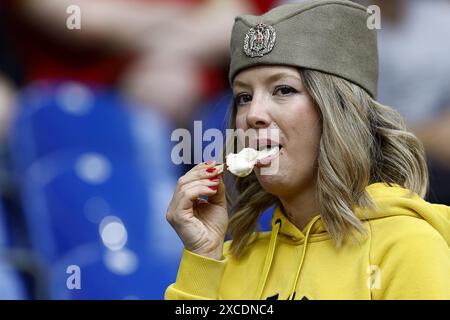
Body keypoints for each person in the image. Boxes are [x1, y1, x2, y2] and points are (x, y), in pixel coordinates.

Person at [165, 0, 450, 300]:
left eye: (283, 90)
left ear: (340, 111)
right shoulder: (225, 259)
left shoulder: (408, 247)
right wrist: (202, 259)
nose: (252, 114)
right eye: (244, 96)